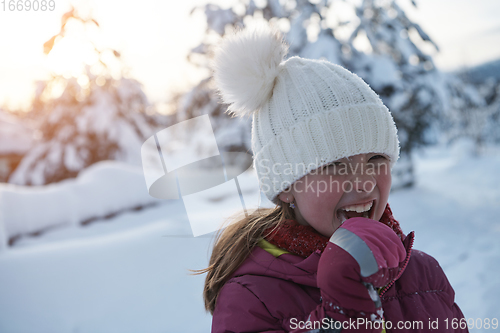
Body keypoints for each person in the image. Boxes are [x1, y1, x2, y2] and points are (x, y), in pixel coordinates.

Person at [198, 23, 467, 333]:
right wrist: (343, 312)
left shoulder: (422, 274)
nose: (365, 183)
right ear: (286, 185)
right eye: (336, 165)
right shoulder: (253, 300)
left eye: (376, 158)